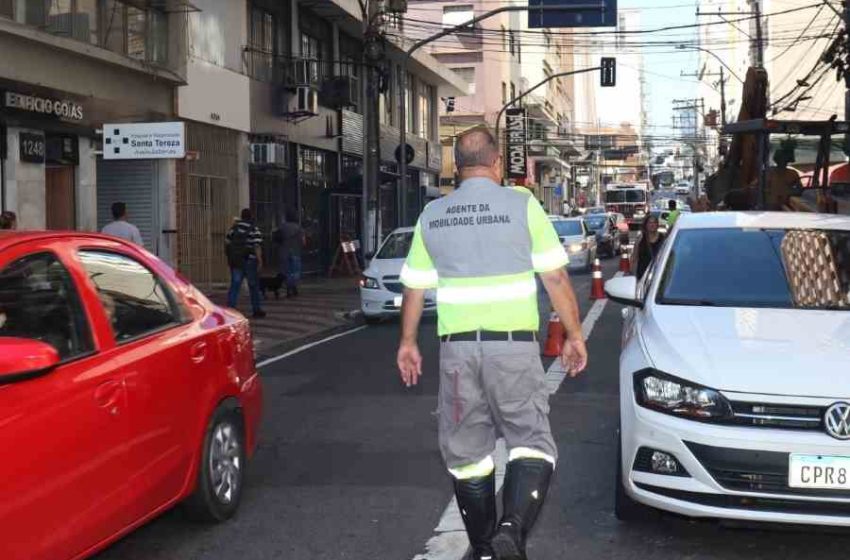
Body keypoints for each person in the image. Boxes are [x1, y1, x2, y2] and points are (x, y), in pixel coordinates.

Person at [396, 127, 587, 560]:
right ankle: (511, 530)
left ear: (456, 168)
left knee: (468, 458)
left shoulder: (433, 215)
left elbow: (414, 288)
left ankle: (484, 549)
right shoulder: (522, 205)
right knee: (531, 443)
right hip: (514, 351)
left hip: (457, 354)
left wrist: (408, 342)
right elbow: (555, 277)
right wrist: (574, 336)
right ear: (498, 163)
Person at [226, 208, 266, 318]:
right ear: (251, 216)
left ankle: (230, 309)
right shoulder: (254, 229)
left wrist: (230, 258)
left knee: (235, 285)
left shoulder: (234, 228)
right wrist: (260, 260)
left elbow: (228, 242)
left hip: (237, 261)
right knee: (253, 286)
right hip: (250, 260)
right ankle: (256, 310)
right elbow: (257, 245)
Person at [274, 207, 305, 298]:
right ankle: (292, 286)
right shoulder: (299, 228)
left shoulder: (281, 227)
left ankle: (289, 287)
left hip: (283, 252)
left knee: (286, 271)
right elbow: (303, 242)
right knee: (295, 271)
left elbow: (276, 238)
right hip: (295, 252)